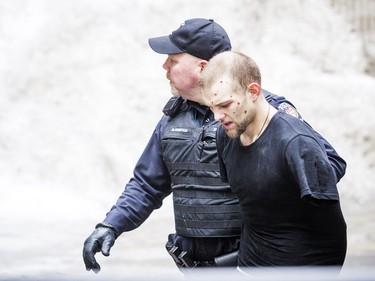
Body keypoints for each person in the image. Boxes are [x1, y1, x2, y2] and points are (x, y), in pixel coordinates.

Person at [82, 18, 347, 273]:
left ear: (202, 67)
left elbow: (325, 165)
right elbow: (146, 184)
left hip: (251, 261)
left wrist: (271, 199)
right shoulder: (172, 121)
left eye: (173, 60)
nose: (165, 67)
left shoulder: (262, 112)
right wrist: (110, 225)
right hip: (196, 266)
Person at [200, 50, 347, 270]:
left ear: (253, 92)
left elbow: (331, 230)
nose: (217, 117)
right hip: (250, 264)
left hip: (300, 268)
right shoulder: (225, 135)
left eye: (225, 105)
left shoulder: (296, 142)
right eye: (212, 108)